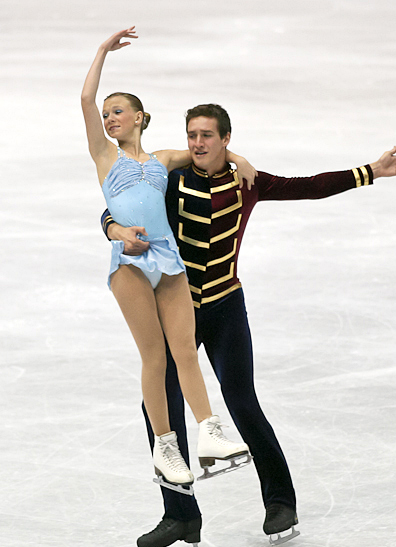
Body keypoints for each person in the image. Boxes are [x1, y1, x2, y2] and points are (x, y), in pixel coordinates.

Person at [102, 79, 396, 547]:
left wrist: (369, 172)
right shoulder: (169, 178)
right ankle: (180, 517)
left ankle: (280, 501)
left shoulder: (246, 181)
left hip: (226, 306)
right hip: (177, 306)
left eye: (207, 135)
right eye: (192, 135)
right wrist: (113, 228)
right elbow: (117, 205)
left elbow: (308, 188)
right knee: (160, 408)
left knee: (242, 402)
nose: (197, 143)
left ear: (225, 139)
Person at [81, 28, 257, 499]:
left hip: (168, 259)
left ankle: (210, 433)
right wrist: (101, 52)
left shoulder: (162, 159)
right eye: (106, 115)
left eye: (117, 112)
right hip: (129, 264)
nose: (109, 118)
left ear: (139, 117)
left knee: (184, 351)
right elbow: (84, 98)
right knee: (155, 357)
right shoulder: (104, 155)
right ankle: (165, 447)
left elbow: (207, 151)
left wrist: (236, 155)